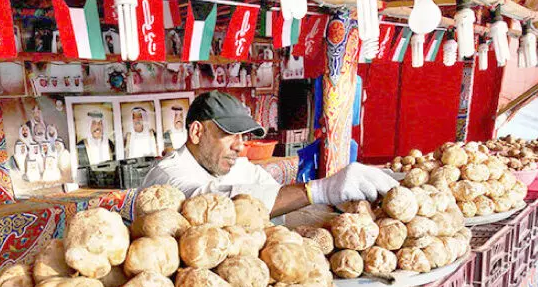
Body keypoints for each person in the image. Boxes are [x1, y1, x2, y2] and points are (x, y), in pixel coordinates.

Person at [141, 91, 398, 218]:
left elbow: (279, 202)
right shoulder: (167, 175)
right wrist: (320, 189)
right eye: (230, 134)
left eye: (244, 136)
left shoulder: (238, 166)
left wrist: (340, 211)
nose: (240, 146)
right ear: (196, 132)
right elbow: (211, 204)